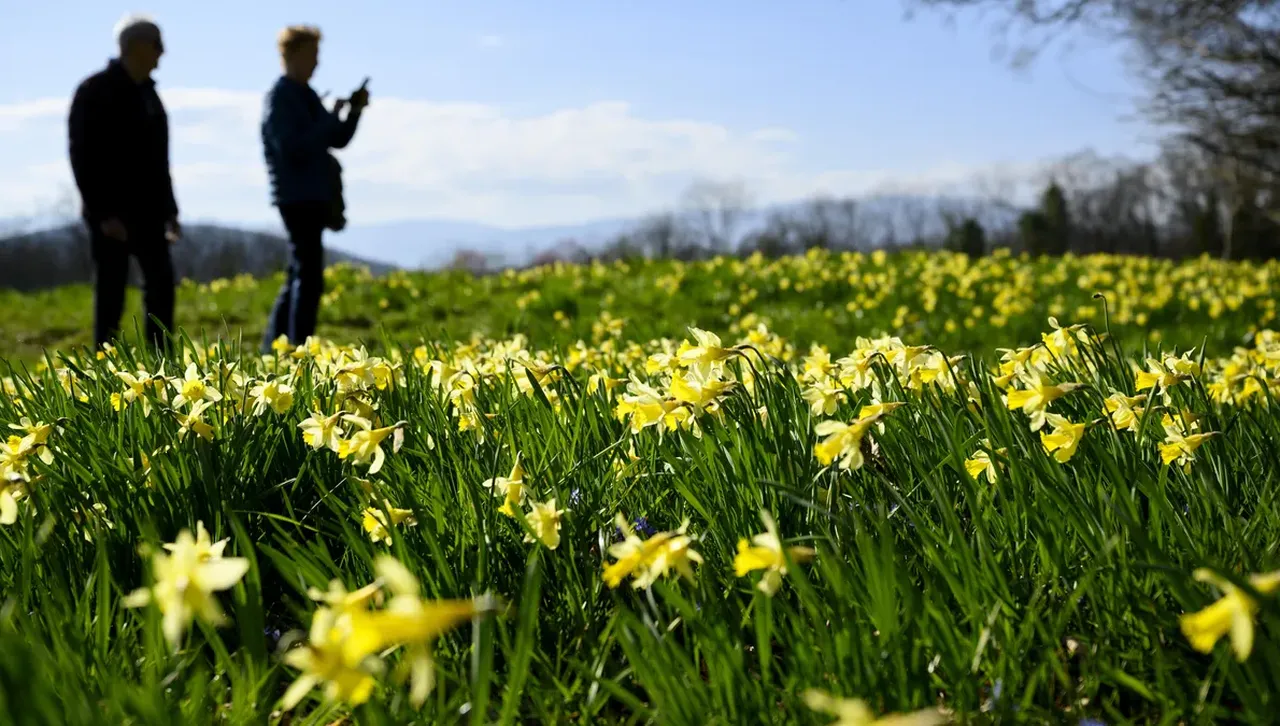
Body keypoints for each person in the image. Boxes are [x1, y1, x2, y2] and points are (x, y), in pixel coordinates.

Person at [68, 14, 182, 353]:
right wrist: (103, 214)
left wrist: (170, 210)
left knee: (162, 287)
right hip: (111, 215)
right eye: (156, 44)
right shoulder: (94, 91)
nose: (162, 52)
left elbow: (160, 161)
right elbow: (82, 156)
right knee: (111, 291)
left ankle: (162, 365)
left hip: (150, 212)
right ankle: (105, 365)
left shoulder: (150, 97)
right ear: (135, 47)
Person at [260, 25, 369, 353]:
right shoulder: (281, 97)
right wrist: (327, 121)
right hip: (297, 197)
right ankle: (298, 349)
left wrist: (354, 111)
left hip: (310, 195)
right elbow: (292, 147)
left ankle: (274, 348)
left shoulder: (304, 95)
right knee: (308, 277)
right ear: (292, 55)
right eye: (312, 56)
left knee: (299, 272)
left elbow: (336, 138)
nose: (316, 64)